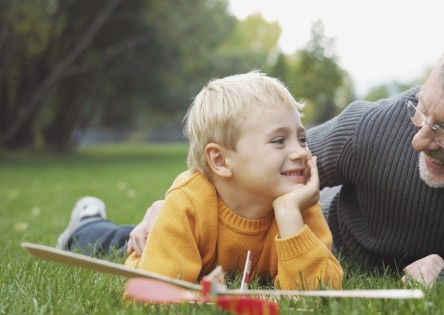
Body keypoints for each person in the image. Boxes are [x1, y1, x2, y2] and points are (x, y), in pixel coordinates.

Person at [128, 26, 444, 287]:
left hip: (308, 257)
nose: (419, 139)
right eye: (421, 109)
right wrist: (171, 207)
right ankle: (89, 226)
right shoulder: (374, 126)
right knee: (150, 241)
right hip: (299, 234)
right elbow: (247, 164)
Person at [56, 71, 343, 290]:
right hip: (156, 247)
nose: (300, 151)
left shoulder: (299, 205)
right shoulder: (189, 205)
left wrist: (290, 215)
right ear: (220, 160)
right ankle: (86, 223)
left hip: (193, 247)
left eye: (302, 138)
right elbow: (152, 293)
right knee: (116, 242)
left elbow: (321, 292)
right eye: (279, 140)